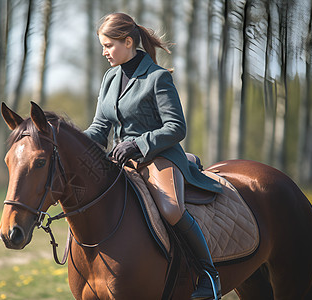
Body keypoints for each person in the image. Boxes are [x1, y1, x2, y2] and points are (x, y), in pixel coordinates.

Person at [84, 12, 222, 300]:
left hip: (159, 157)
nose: (104, 52)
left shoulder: (157, 77)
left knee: (171, 210)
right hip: (121, 162)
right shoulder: (109, 78)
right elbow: (99, 127)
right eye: (103, 45)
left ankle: (209, 275)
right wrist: (69, 142)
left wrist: (137, 144)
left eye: (109, 45)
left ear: (128, 41)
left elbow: (176, 127)